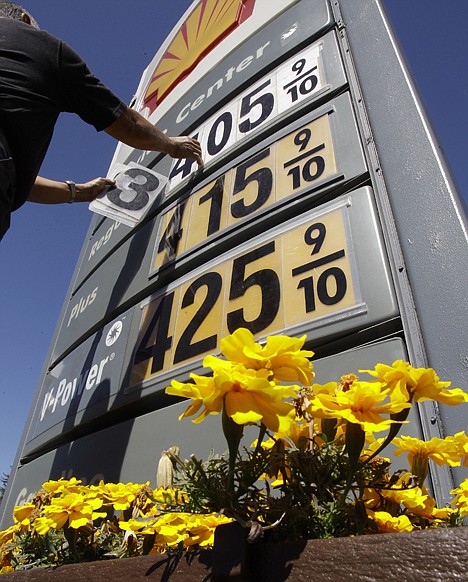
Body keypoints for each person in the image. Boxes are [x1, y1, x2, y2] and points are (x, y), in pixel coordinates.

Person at [0, 2, 203, 241]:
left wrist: (78, 192)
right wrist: (170, 145)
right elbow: (126, 123)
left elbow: (20, 183)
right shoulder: (40, 45)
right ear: (25, 20)